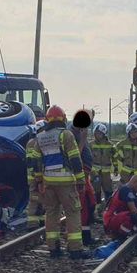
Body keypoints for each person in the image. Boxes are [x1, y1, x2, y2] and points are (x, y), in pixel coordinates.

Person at [33, 106, 87, 258]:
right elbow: (75, 158)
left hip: (48, 182)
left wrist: (38, 179)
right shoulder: (66, 135)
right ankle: (75, 249)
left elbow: (35, 159)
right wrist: (81, 179)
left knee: (51, 213)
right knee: (72, 212)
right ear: (63, 119)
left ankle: (53, 249)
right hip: (66, 182)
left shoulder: (41, 136)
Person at [71, 110, 98, 247]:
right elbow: (75, 156)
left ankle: (86, 233)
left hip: (86, 174)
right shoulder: (72, 135)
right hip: (80, 175)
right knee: (84, 206)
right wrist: (82, 140)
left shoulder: (80, 131)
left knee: (91, 203)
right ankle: (83, 238)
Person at [103, 174, 137, 239]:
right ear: (135, 182)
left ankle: (127, 232)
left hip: (117, 217)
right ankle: (119, 237)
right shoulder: (125, 190)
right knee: (133, 216)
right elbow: (134, 210)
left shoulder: (132, 191)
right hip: (110, 220)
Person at [90, 123, 115, 217]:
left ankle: (109, 209)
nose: (97, 135)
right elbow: (88, 158)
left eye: (99, 133)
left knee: (108, 190)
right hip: (94, 172)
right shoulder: (91, 144)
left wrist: (116, 167)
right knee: (96, 191)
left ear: (104, 134)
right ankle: (97, 210)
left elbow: (114, 157)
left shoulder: (110, 145)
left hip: (106, 173)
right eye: (96, 133)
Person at [24, 136, 45, 229]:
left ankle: (39, 222)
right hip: (37, 177)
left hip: (33, 177)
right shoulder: (38, 142)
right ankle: (33, 225)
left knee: (38, 200)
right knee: (36, 200)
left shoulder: (30, 142)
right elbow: (36, 162)